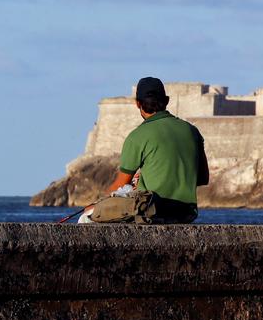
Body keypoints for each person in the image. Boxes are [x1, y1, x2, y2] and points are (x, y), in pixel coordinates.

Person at [83, 77, 208, 224]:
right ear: (166, 101)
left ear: (138, 103)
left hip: (151, 212)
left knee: (86, 217)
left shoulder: (137, 136)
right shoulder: (192, 131)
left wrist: (96, 205)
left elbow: (120, 186)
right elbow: (202, 178)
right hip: (186, 213)